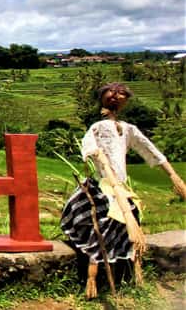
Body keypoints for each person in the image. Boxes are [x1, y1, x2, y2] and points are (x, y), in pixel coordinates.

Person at [61, 82, 186, 298]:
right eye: (114, 94)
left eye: (121, 94)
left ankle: (134, 276)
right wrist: (108, 175)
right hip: (104, 185)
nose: (117, 97)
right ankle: (91, 280)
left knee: (128, 224)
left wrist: (173, 175)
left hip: (121, 187)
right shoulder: (98, 128)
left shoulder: (128, 129)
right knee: (100, 227)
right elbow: (92, 151)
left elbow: (150, 150)